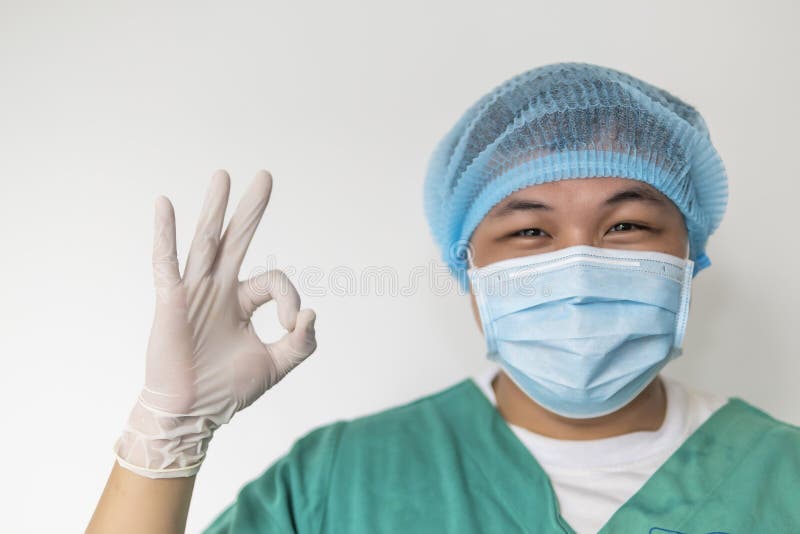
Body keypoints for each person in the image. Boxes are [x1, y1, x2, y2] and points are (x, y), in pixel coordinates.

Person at [87, 62, 800, 534]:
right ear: (470, 271)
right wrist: (168, 435)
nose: (578, 264)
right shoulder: (344, 483)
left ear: (689, 253)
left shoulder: (783, 478)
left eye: (627, 224)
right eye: (528, 231)